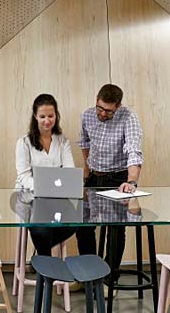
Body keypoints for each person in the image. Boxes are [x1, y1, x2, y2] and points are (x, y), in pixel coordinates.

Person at [15, 93, 97, 255]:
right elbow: (24, 177)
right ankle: (46, 274)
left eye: (51, 116)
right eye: (42, 116)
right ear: (35, 116)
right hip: (30, 199)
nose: (47, 121)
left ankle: (87, 276)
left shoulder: (62, 141)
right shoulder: (23, 143)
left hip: (57, 199)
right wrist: (44, 188)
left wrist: (60, 189)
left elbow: (68, 172)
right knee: (41, 230)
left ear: (56, 115)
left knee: (84, 223)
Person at [78, 84, 143, 272]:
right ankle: (89, 275)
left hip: (118, 179)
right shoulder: (88, 115)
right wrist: (87, 169)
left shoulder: (128, 118)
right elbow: (84, 142)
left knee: (114, 229)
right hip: (94, 177)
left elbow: (134, 151)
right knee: (82, 225)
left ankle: (109, 277)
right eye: (100, 108)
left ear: (118, 106)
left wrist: (131, 182)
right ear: (96, 99)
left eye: (109, 111)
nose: (103, 114)